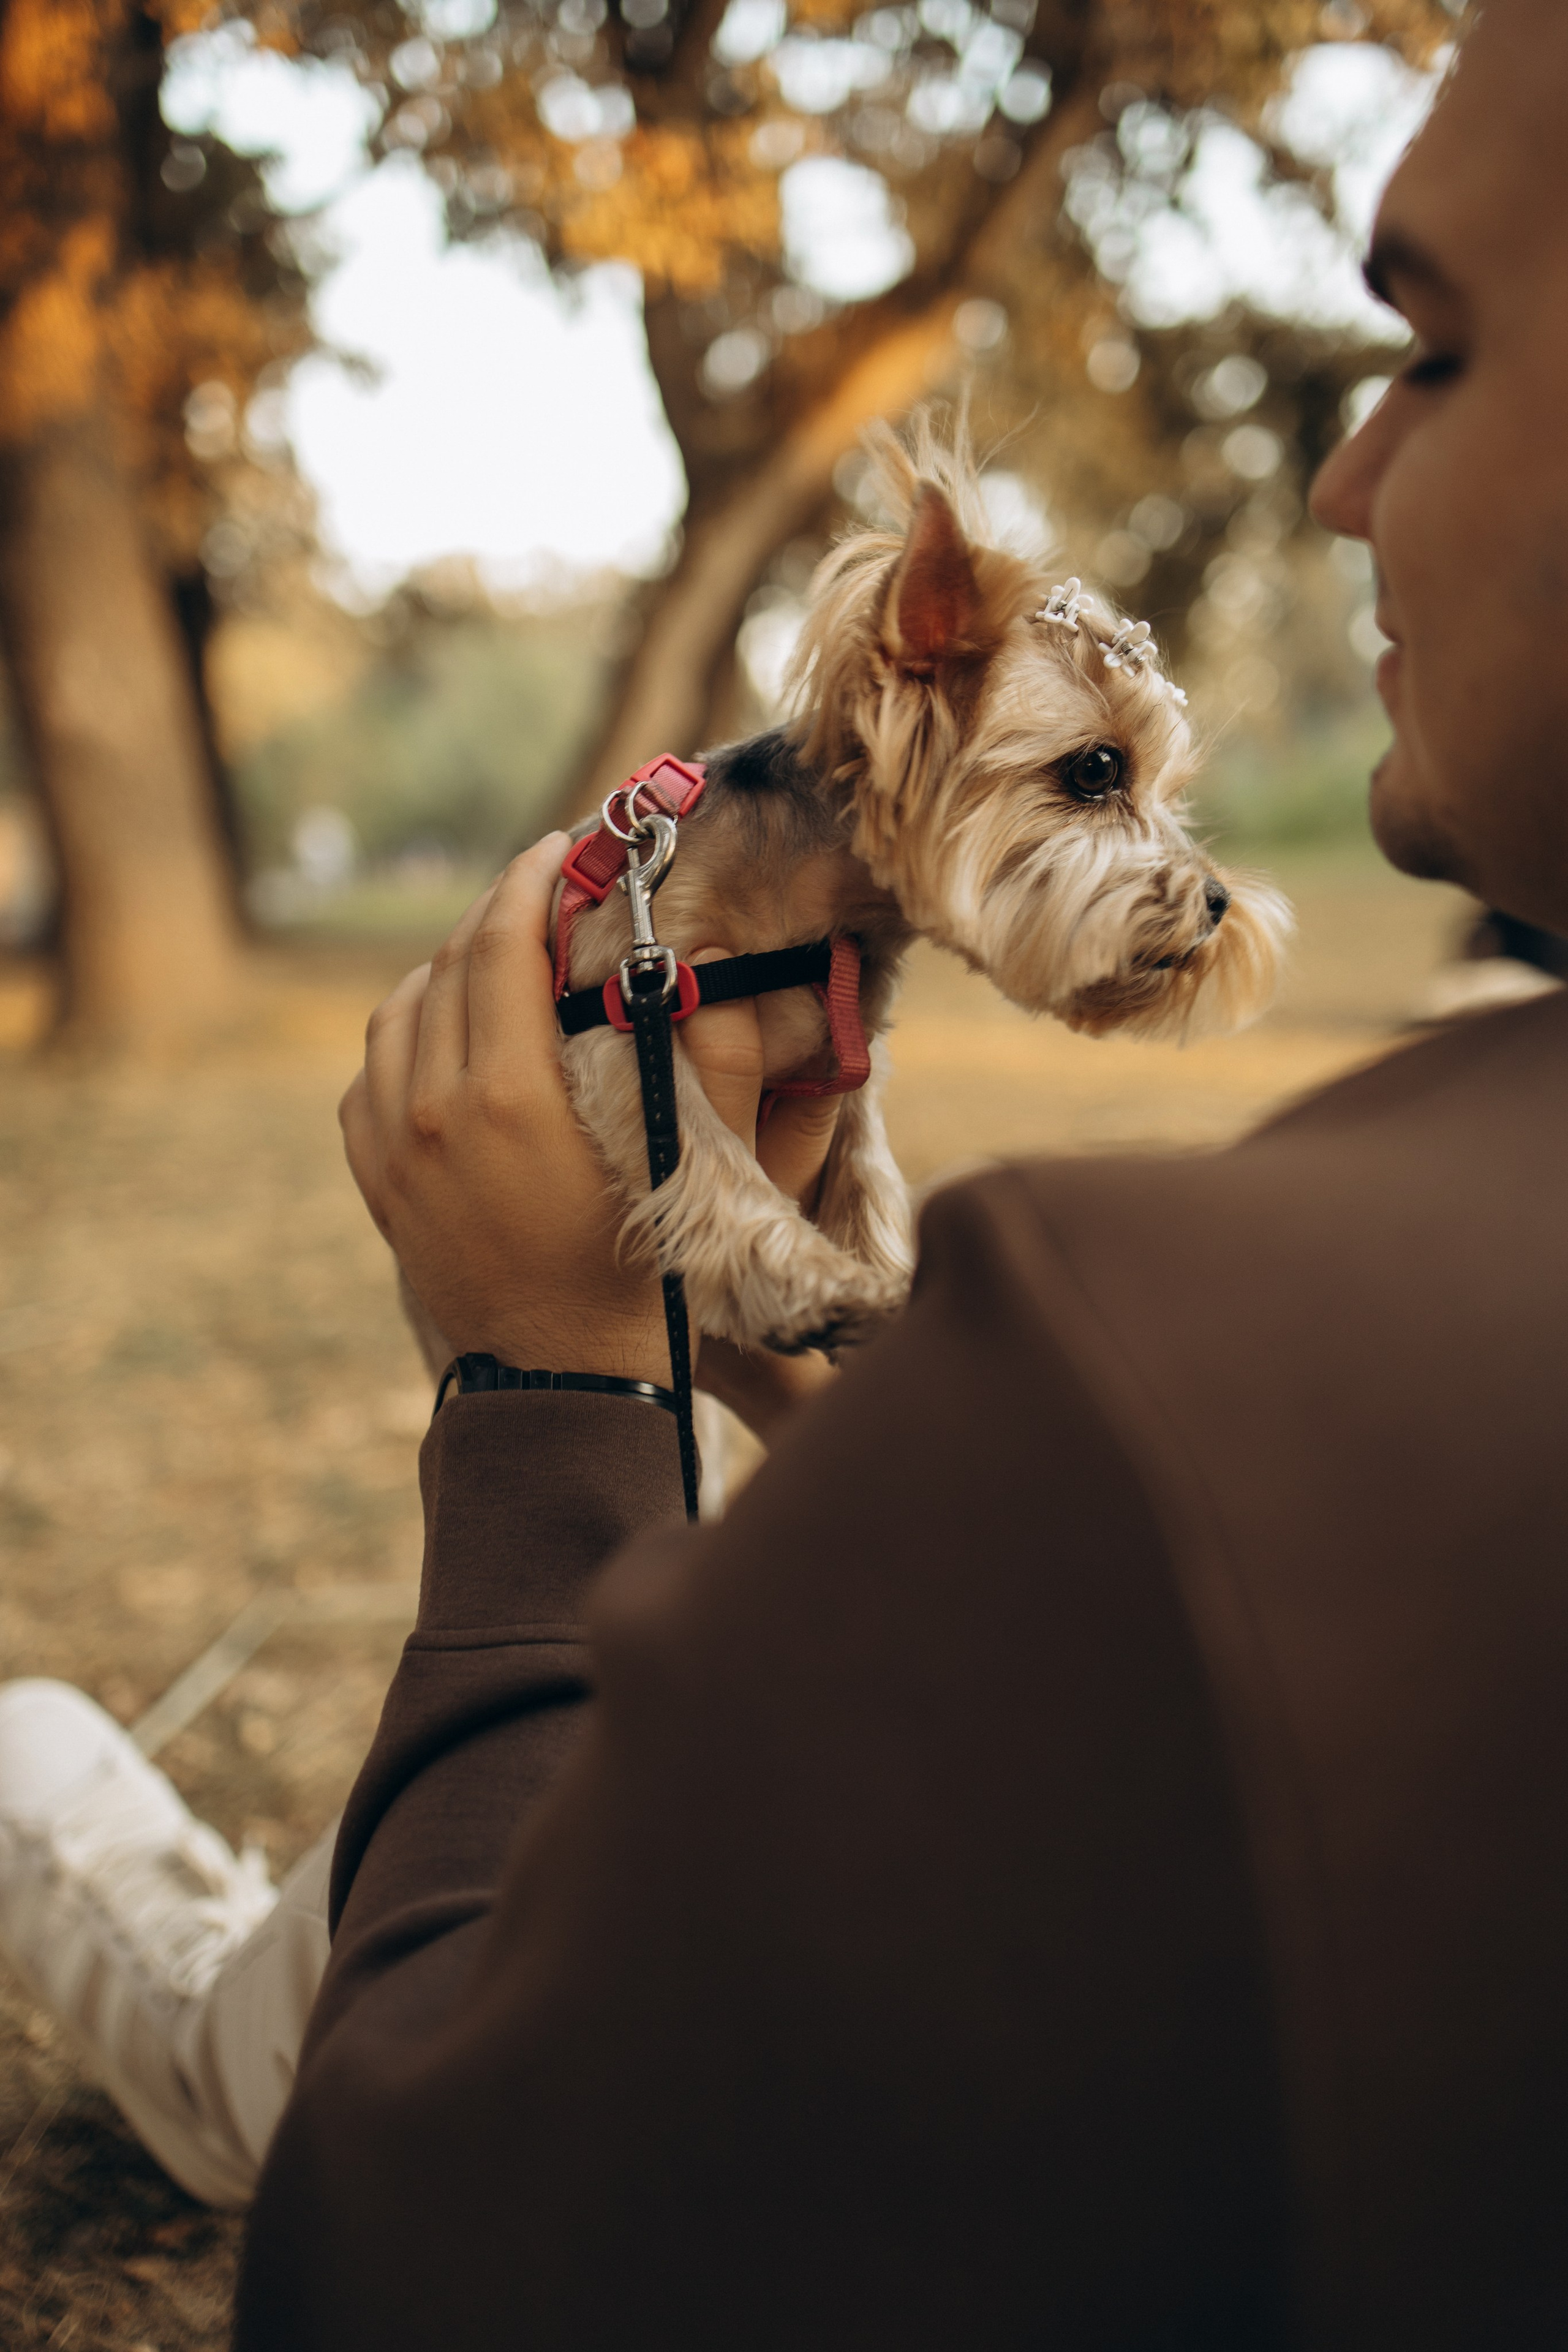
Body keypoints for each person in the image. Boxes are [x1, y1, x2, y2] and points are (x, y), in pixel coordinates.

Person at [6, 0, 1568, 2337]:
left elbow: (401, 2255)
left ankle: (49, 1816)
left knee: (239, 2000)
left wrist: (544, 1401)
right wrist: (814, 1378)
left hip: (543, 1979)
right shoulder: (1376, 1229)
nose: (1341, 481)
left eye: (1431, 353)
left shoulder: (1175, 1372)